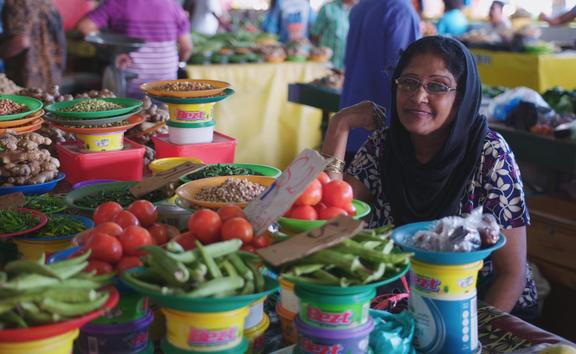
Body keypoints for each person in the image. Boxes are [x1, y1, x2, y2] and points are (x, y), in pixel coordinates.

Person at [322, 36, 537, 319]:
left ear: (461, 96)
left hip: (484, 307)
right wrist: (339, 126)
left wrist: (468, 336)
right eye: (408, 82)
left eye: (437, 86)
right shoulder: (383, 146)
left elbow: (511, 274)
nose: (418, 96)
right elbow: (329, 220)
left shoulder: (490, 155)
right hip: (404, 304)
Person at [339, 0, 420, 160]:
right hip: (380, 130)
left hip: (352, 123)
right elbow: (408, 75)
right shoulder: (400, 10)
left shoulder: (361, 7)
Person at [77, 0, 192, 98]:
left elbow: (85, 26)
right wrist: (180, 62)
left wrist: (111, 50)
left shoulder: (117, 3)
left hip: (129, 85)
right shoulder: (173, 6)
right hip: (167, 86)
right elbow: (186, 48)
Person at [0, 0, 66, 90]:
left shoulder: (16, 3)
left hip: (28, 78)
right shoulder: (45, 2)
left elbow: (21, 42)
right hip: (52, 74)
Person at [310, 0, 357, 70]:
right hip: (326, 65)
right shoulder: (328, 8)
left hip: (344, 66)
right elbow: (314, 34)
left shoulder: (357, 11)